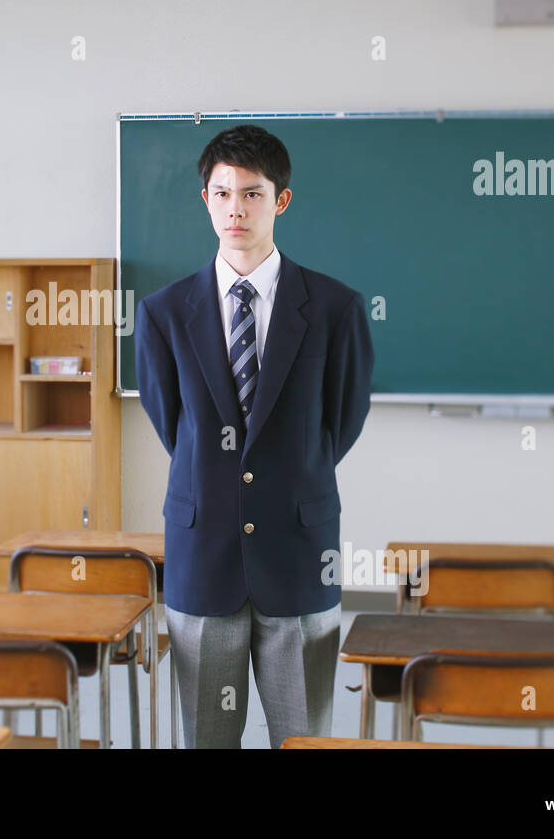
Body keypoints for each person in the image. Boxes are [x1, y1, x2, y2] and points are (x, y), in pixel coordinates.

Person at [134, 123, 374, 748]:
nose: (235, 208)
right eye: (222, 193)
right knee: (207, 738)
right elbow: (173, 423)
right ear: (205, 198)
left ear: (281, 200)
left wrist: (285, 472)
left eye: (252, 193)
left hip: (297, 552)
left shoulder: (334, 308)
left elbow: (340, 423)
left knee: (304, 737)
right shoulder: (163, 313)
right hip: (203, 552)